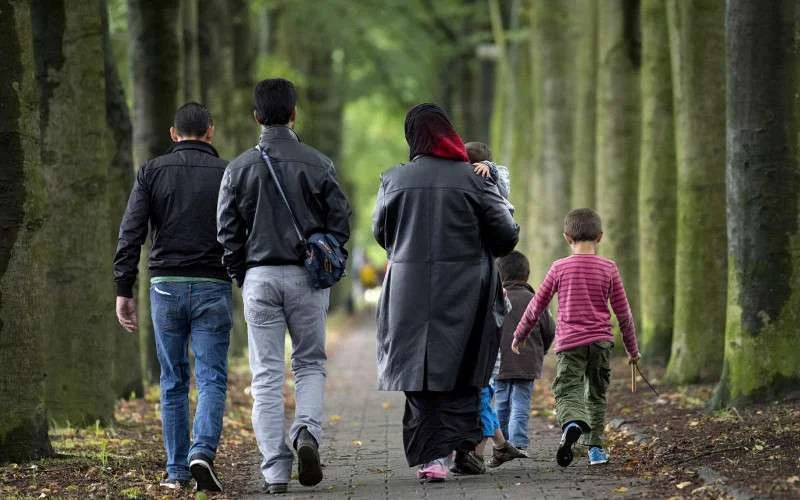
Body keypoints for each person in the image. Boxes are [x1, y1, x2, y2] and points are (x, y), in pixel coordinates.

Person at [216, 78, 352, 495]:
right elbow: (340, 223)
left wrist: (243, 274)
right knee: (309, 363)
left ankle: (275, 471)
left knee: (266, 376)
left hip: (259, 277)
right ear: (294, 114)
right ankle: (307, 433)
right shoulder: (318, 163)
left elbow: (226, 232)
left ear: (257, 117)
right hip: (308, 277)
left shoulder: (238, 168)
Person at [372, 103, 519, 482]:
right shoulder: (474, 179)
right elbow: (505, 235)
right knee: (464, 366)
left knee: (419, 372)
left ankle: (432, 457)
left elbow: (382, 234)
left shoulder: (394, 178)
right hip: (467, 289)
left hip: (409, 290)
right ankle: (463, 449)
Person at [114, 102, 232, 492]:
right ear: (211, 131)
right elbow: (239, 232)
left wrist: (123, 287)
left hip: (165, 284)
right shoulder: (227, 172)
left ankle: (177, 471)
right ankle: (202, 451)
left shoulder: (151, 171)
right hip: (213, 283)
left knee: (172, 379)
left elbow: (131, 232)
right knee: (211, 375)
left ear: (172, 134)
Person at [511, 208, 640, 467]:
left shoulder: (559, 267)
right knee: (596, 394)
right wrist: (632, 350)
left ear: (567, 237)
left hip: (570, 344)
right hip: (601, 342)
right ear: (600, 236)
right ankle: (595, 450)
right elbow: (623, 313)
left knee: (568, 390)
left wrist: (520, 334)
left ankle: (572, 423)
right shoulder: (609, 268)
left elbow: (537, 305)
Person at [495, 251, 555, 455]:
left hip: (500, 361)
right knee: (521, 400)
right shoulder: (536, 299)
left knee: (501, 400)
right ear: (527, 274)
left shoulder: (495, 300)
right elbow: (549, 329)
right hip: (527, 360)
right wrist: (541, 350)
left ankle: (502, 442)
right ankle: (518, 440)